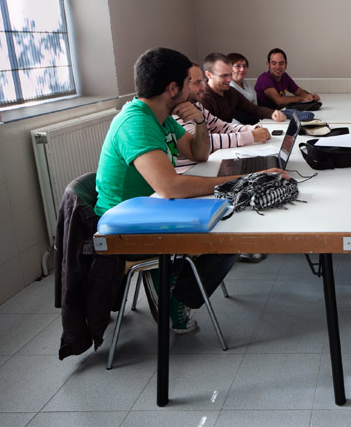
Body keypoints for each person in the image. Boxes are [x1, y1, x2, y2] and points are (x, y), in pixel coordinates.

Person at [95, 47, 285, 333]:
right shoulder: (137, 123)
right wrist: (245, 178)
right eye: (189, 82)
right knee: (232, 228)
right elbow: (170, 187)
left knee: (233, 215)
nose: (197, 88)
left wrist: (198, 121)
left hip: (150, 207)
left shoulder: (161, 116)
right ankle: (178, 298)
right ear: (173, 89)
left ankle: (176, 287)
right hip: (125, 224)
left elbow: (199, 154)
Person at [172, 62, 270, 263]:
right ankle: (234, 243)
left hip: (202, 168)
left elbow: (221, 127)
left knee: (253, 175)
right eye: (196, 82)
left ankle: (239, 240)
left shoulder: (195, 105)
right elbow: (204, 143)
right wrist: (250, 136)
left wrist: (251, 130)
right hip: (190, 179)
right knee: (246, 181)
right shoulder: (174, 113)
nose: (202, 87)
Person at [200, 52, 286, 124]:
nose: (229, 79)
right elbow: (212, 134)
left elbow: (253, 109)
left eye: (230, 74)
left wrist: (272, 113)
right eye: (224, 76)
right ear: (208, 75)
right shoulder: (203, 99)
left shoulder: (230, 91)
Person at [254, 48, 321, 109]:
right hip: (264, 117)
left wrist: (311, 96)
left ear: (286, 64)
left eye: (281, 63)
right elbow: (279, 101)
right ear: (268, 64)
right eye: (274, 63)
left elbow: (299, 91)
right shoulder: (264, 78)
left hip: (278, 113)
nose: (278, 67)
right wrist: (302, 98)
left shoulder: (285, 76)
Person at [227, 52, 260, 124]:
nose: (242, 69)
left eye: (245, 66)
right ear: (228, 68)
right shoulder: (227, 89)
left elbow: (256, 108)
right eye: (238, 66)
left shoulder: (248, 86)